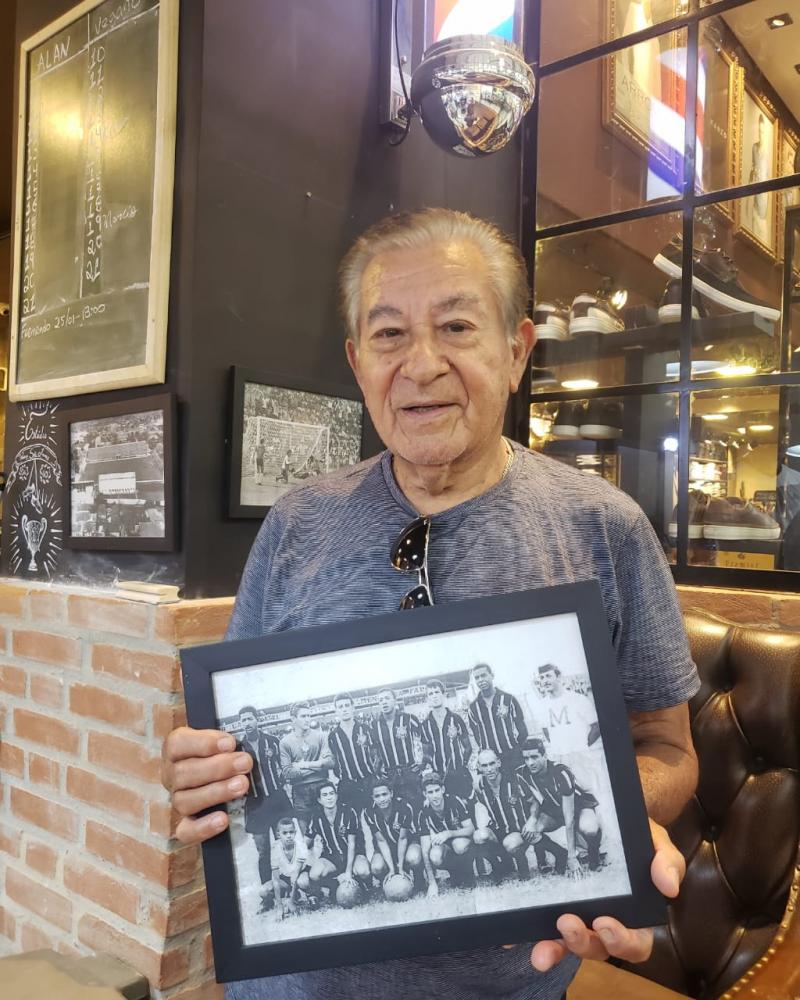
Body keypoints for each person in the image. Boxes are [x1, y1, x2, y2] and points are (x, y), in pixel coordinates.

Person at [162, 207, 699, 1000]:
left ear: (516, 351)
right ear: (356, 361)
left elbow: (669, 748)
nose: (420, 364)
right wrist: (204, 772)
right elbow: (227, 736)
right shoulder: (297, 523)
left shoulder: (605, 528)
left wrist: (614, 813)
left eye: (455, 326)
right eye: (388, 335)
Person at [518, 739, 603, 874]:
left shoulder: (561, 772)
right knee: (531, 832)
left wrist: (572, 857)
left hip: (579, 806)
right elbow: (533, 798)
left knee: (589, 828)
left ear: (545, 755)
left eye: (534, 757)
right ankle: (560, 854)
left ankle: (594, 855)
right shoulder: (523, 773)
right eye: (526, 758)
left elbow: (569, 818)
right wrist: (532, 819)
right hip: (554, 809)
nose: (530, 763)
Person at [236, 707, 293, 898]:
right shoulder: (237, 748)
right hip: (255, 804)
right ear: (240, 723)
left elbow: (284, 767)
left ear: (257, 719)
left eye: (250, 719)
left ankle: (291, 887)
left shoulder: (272, 741)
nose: (247, 723)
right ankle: (268, 893)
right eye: (243, 720)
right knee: (263, 851)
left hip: (277, 800)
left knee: (285, 845)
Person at [531, 663, 604, 797]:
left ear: (558, 677)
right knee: (570, 796)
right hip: (560, 757)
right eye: (541, 678)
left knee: (592, 794)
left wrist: (582, 744)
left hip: (581, 755)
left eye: (548, 676)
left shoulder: (577, 699)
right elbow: (546, 731)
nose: (545, 681)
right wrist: (559, 745)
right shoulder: (542, 705)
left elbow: (597, 727)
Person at [473, 748, 531, 881]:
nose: (489, 769)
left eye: (492, 764)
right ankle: (500, 867)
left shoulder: (513, 779)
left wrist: (532, 821)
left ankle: (523, 867)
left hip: (519, 831)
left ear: (498, 763)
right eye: (484, 765)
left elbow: (533, 802)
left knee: (510, 843)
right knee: (478, 836)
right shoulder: (479, 785)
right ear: (479, 767)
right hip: (498, 832)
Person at [306, 782, 369, 900]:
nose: (329, 797)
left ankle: (362, 883)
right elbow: (306, 842)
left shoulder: (349, 811)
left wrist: (349, 872)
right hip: (331, 857)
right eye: (325, 795)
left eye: (331, 793)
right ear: (319, 800)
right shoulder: (316, 817)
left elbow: (352, 844)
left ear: (336, 796)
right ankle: (334, 885)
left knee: (363, 871)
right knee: (315, 874)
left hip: (353, 855)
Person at [279, 702, 333, 834]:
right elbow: (287, 773)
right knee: (307, 837)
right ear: (293, 719)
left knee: (330, 830)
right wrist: (319, 764)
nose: (307, 719)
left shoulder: (321, 736)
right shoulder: (285, 742)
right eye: (303, 716)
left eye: (309, 715)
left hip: (322, 786)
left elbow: (330, 763)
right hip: (300, 791)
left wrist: (303, 765)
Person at [418, 772, 476, 893]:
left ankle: (468, 873)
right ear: (424, 794)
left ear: (443, 789)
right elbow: (424, 848)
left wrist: (449, 833)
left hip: (461, 841)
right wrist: (432, 883)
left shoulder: (454, 801)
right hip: (446, 848)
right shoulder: (424, 813)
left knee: (459, 845)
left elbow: (470, 829)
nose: (435, 796)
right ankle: (454, 873)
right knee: (434, 856)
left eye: (437, 790)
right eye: (430, 792)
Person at [419, 678, 474, 800]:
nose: (434, 696)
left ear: (444, 694)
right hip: (439, 778)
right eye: (430, 694)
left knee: (467, 807)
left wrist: (462, 766)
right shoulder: (425, 725)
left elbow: (468, 747)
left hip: (459, 775)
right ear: (427, 698)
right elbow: (426, 754)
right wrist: (422, 768)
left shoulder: (456, 719)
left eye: (437, 692)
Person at [468, 663, 528, 772]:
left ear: (492, 675)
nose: (481, 680)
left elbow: (522, 729)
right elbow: (477, 736)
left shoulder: (508, 699)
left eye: (484, 675)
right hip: (491, 761)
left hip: (513, 756)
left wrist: (516, 748)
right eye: (477, 678)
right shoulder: (473, 707)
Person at [363, 777, 423, 886]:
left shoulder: (404, 807)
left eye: (384, 794)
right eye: (377, 796)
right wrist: (391, 869)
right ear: (373, 798)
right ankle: (387, 881)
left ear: (391, 793)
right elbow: (381, 841)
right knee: (376, 867)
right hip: (386, 846)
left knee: (413, 858)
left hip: (408, 843)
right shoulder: (369, 812)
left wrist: (400, 866)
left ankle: (418, 876)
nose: (382, 799)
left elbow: (403, 838)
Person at [373, 687, 424, 811]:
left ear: (395, 700)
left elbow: (424, 741)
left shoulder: (409, 719)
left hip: (410, 771)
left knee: (418, 806)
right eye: (380, 700)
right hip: (390, 775)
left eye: (387, 698)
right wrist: (378, 768)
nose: (384, 702)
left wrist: (422, 763)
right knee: (398, 810)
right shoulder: (374, 725)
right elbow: (375, 750)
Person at [327, 692, 379, 814]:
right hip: (347, 785)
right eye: (340, 707)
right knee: (354, 822)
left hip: (368, 781)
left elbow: (376, 754)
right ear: (336, 711)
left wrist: (374, 774)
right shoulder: (333, 736)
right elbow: (333, 760)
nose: (344, 709)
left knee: (375, 816)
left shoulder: (365, 729)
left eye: (346, 705)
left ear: (353, 707)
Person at [265, 816, 314, 916]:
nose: (288, 836)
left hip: (299, 875)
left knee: (303, 882)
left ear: (295, 833)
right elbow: (275, 878)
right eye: (285, 833)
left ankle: (302, 895)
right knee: (263, 891)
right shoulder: (275, 848)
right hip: (285, 878)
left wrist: (291, 903)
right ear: (278, 834)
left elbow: (295, 875)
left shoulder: (301, 846)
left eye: (291, 832)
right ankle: (291, 895)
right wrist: (280, 906)